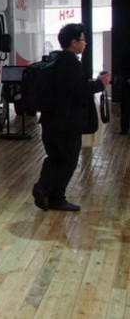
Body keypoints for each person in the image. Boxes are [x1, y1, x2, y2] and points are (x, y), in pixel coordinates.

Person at [32, 23, 111, 212]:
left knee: (55, 157)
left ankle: (46, 191)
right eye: (83, 39)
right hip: (67, 122)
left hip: (51, 119)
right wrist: (100, 84)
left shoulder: (56, 60)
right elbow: (77, 91)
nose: (86, 43)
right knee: (68, 160)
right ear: (73, 42)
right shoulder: (71, 63)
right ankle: (53, 196)